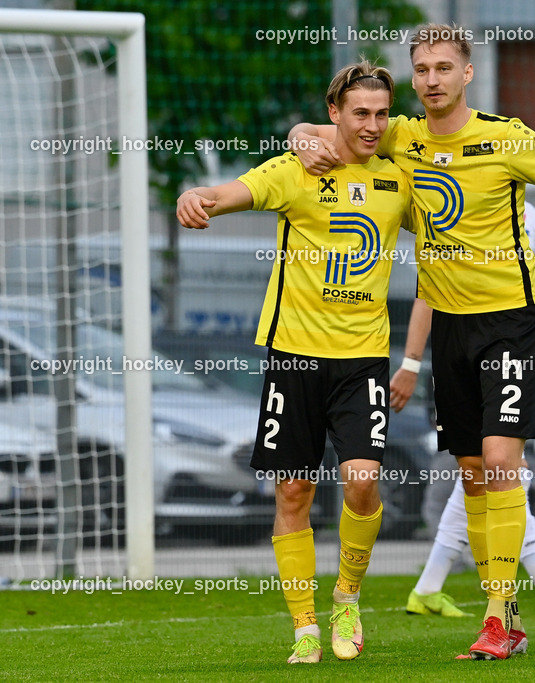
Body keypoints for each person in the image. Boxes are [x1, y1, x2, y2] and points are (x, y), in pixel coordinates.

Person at [288, 23, 535, 660]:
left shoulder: (504, 137)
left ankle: (499, 618)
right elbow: (330, 130)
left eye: (444, 67)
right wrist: (301, 137)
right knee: (471, 472)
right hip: (452, 330)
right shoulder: (400, 135)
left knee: (498, 460)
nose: (432, 78)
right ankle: (506, 614)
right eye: (422, 68)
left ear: (467, 74)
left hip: (512, 321)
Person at [176, 61, 411, 665]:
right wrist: (193, 196)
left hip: (362, 361)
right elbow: (228, 193)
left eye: (382, 113)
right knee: (294, 491)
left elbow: (451, 233)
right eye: (360, 112)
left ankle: (347, 598)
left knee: (361, 481)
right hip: (295, 359)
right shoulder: (296, 169)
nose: (373, 124)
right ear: (336, 112)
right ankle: (305, 626)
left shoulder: (399, 174)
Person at [395, 202, 535, 623]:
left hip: (510, 352)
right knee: (480, 474)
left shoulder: (528, 213)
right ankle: (442, 586)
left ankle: (529, 592)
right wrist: (411, 363)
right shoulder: (450, 201)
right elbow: (427, 293)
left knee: (502, 470)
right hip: (459, 358)